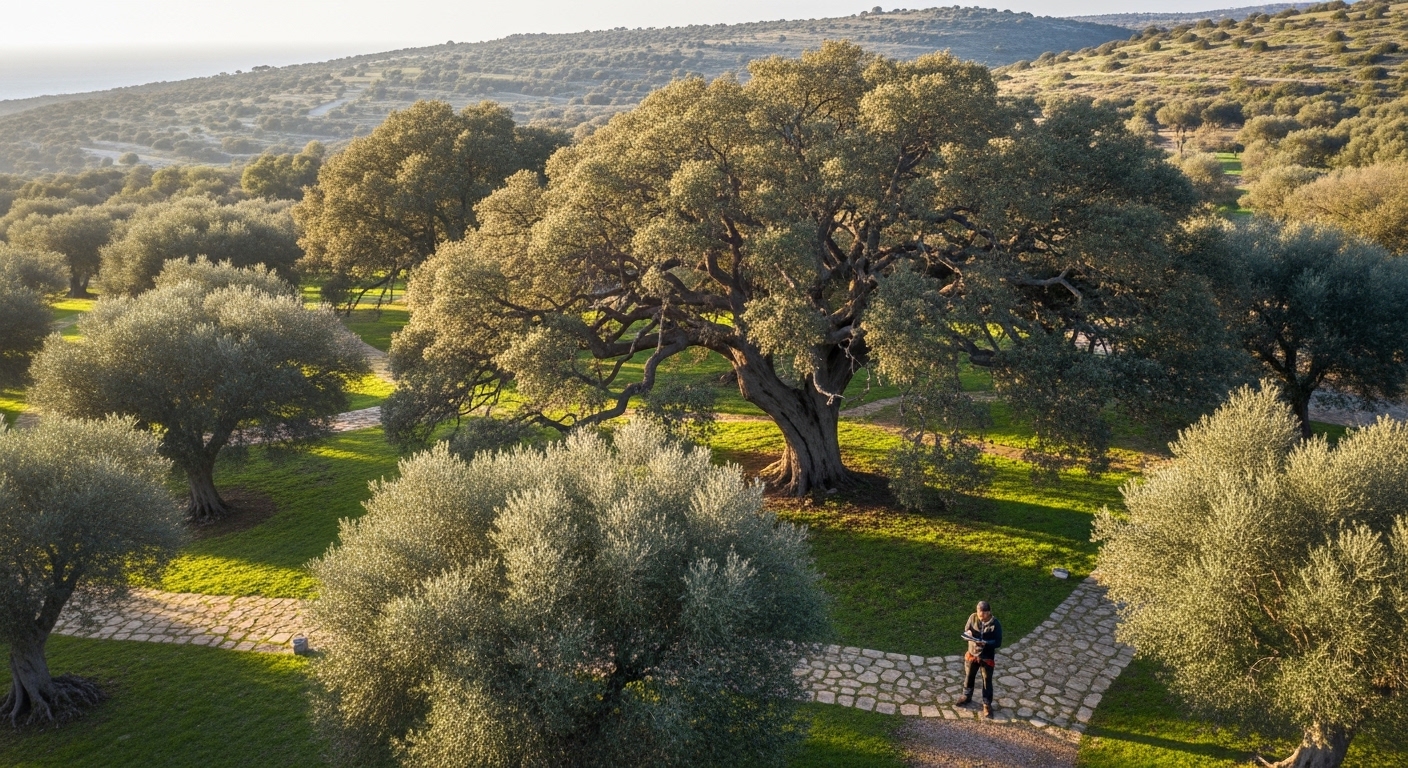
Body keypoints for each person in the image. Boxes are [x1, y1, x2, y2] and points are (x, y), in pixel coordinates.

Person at [956, 600, 1003, 717]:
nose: (981, 618)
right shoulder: (972, 617)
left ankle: (987, 704)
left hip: (986, 657)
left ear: (988, 613)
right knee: (969, 676)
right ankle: (966, 696)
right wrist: (968, 633)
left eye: (983, 616)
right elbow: (967, 629)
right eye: (979, 615)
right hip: (972, 653)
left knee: (987, 680)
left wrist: (986, 643)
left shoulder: (995, 624)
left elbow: (998, 642)